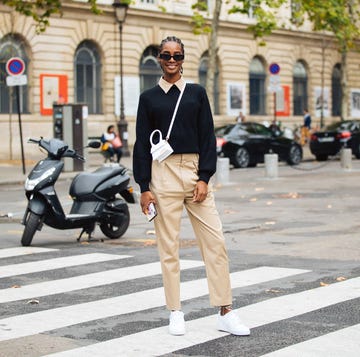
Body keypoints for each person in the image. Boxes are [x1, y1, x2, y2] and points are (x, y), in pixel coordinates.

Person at [133, 36, 250, 337]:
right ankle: (175, 311)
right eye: (165, 55)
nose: (171, 60)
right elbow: (142, 144)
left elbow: (207, 136)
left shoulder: (197, 93)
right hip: (163, 173)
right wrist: (144, 186)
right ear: (158, 58)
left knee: (215, 242)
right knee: (168, 247)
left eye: (177, 55)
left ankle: (225, 311)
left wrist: (204, 177)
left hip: (194, 171)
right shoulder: (148, 99)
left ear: (184, 58)